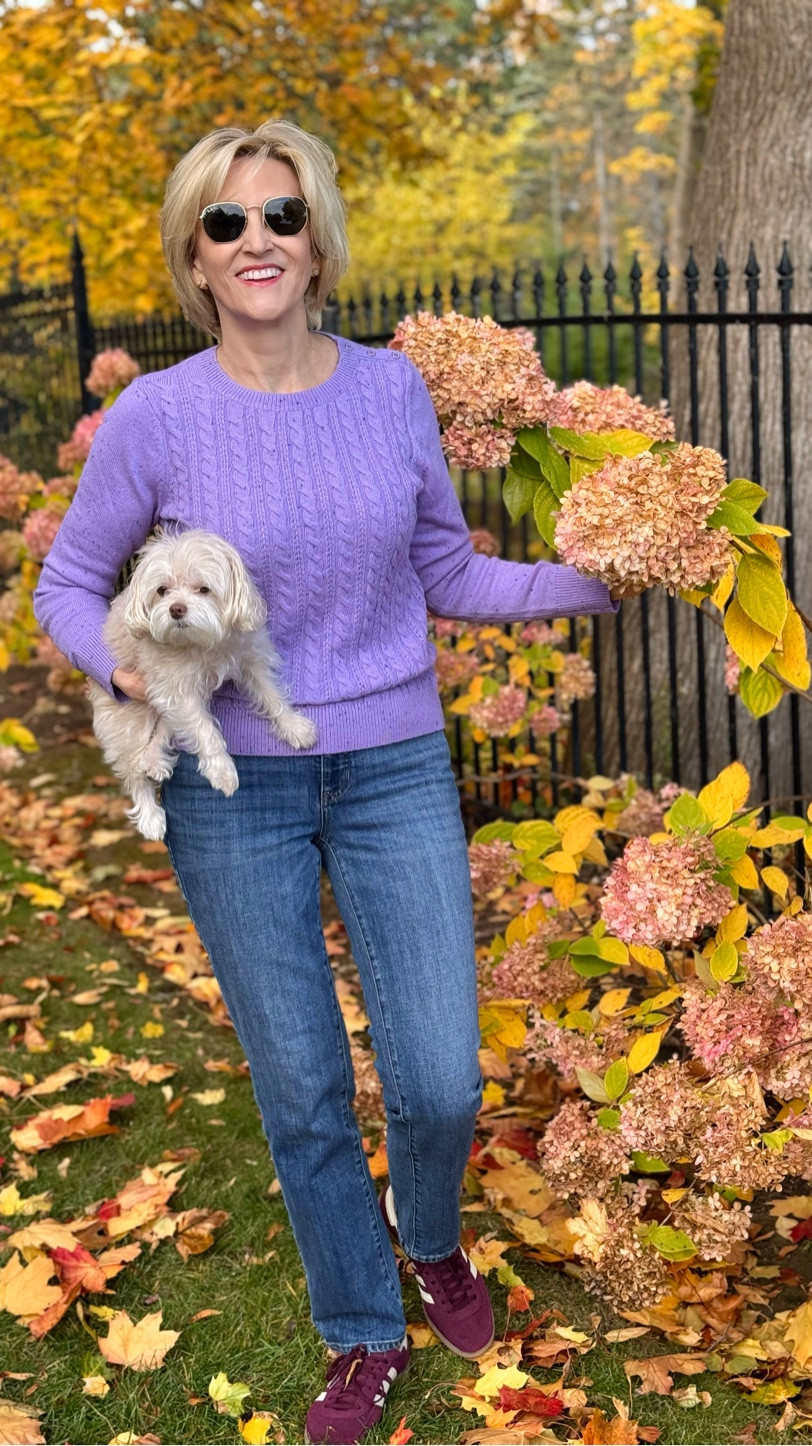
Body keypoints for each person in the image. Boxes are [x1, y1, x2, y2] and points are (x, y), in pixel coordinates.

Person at [34, 120, 619, 1446]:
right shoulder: (157, 414)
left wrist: (601, 576)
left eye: (281, 215)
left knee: (439, 1081)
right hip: (231, 787)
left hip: (395, 765)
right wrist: (122, 673)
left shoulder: (389, 391)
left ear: (318, 236)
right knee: (299, 1082)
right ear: (194, 253)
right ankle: (361, 1324)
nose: (258, 243)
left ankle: (429, 1237)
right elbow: (68, 582)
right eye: (226, 223)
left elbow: (449, 570)